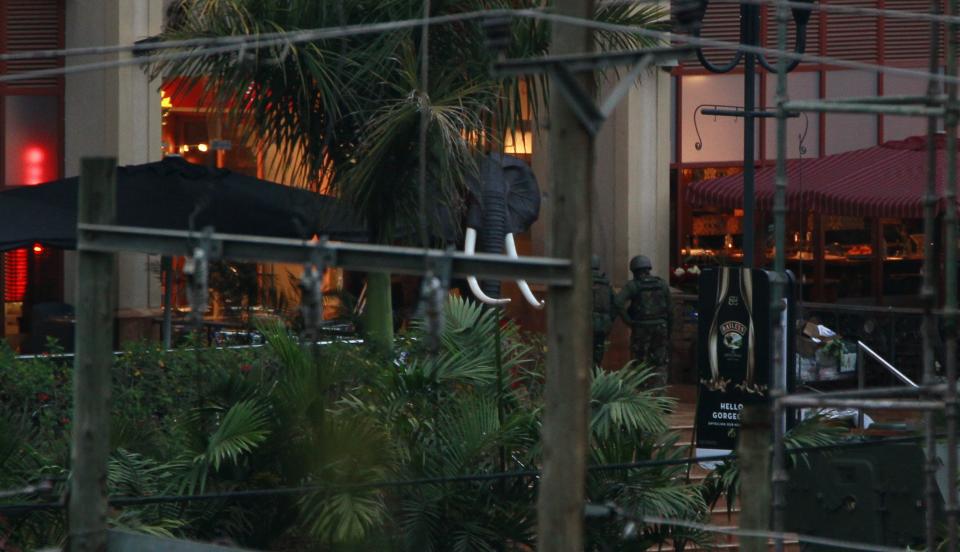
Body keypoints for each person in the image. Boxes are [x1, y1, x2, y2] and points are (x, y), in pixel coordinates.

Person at [615, 254, 672, 386]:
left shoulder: (633, 285)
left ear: (634, 271)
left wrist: (629, 321)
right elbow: (671, 310)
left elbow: (618, 302)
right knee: (660, 362)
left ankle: (641, 395)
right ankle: (660, 394)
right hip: (660, 327)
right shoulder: (661, 284)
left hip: (641, 328)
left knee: (639, 362)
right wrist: (668, 330)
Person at [591, 255, 615, 366]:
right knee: (598, 353)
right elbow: (617, 303)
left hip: (584, 323)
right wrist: (610, 319)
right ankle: (596, 377)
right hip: (602, 324)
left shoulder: (580, 281)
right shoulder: (605, 283)